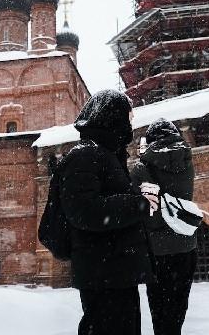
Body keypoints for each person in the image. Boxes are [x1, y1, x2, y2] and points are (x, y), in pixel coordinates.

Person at [57, 89, 158, 335]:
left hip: (115, 269)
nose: (131, 122)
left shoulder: (105, 155)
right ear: (114, 117)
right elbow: (84, 211)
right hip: (103, 270)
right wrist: (138, 204)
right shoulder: (85, 155)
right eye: (127, 116)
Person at [131, 118, 197, 335]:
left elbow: (143, 205)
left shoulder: (143, 167)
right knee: (178, 305)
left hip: (158, 249)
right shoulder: (187, 161)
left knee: (160, 308)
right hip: (187, 243)